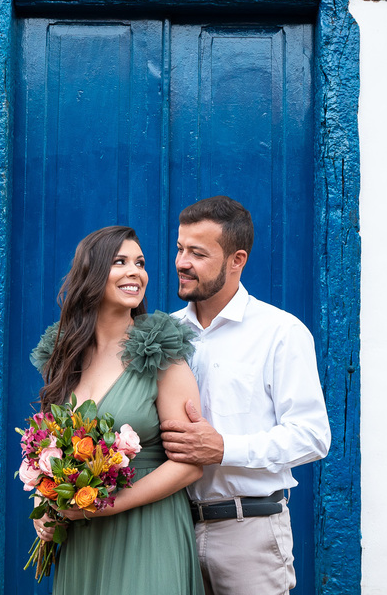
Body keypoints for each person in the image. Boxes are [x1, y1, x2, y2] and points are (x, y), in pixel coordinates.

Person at [160, 196, 331, 595]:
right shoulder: (164, 332)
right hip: (170, 531)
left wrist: (223, 448)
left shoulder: (280, 332)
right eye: (180, 249)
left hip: (249, 532)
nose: (182, 262)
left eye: (198, 253)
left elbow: (312, 436)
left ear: (237, 260)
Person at [29, 225, 205, 594]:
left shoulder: (162, 353)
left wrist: (106, 504)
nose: (135, 272)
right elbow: (52, 447)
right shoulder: (66, 357)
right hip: (84, 537)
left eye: (139, 263)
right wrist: (48, 504)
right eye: (119, 262)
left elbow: (190, 465)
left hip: (149, 530)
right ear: (90, 275)